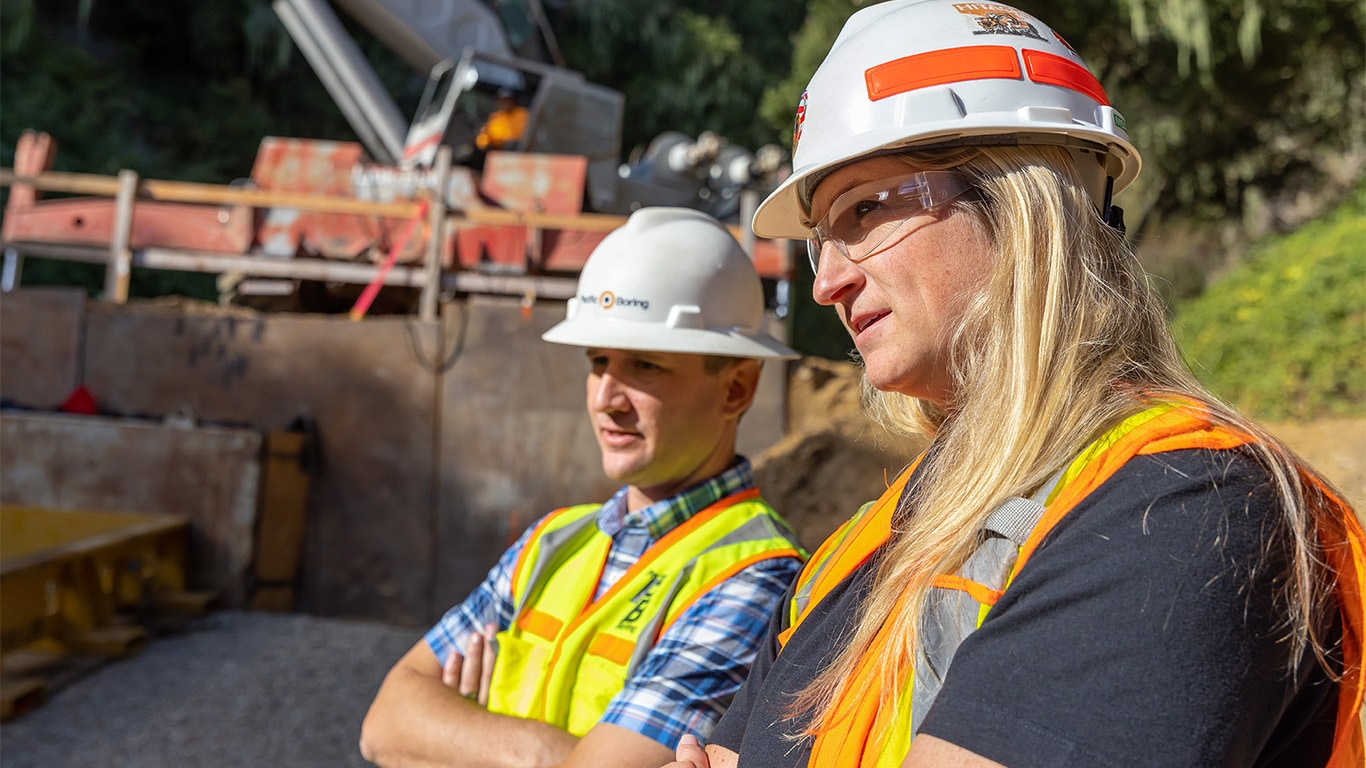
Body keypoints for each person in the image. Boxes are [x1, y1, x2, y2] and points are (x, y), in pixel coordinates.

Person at [668, 1, 1366, 767]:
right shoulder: (864, 545)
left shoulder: (1186, 511)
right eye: (821, 240)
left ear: (1025, 203)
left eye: (865, 209)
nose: (828, 281)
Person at [359, 207, 806, 768]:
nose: (605, 399)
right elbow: (383, 723)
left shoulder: (757, 578)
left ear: (736, 389)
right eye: (598, 362)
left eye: (645, 365)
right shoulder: (552, 540)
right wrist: (552, 754)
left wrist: (456, 733)